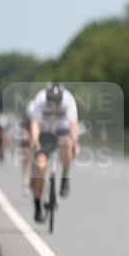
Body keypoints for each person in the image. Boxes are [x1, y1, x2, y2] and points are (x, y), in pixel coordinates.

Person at [27, 82, 79, 222]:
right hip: (44, 132)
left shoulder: (68, 99)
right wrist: (35, 140)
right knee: (41, 166)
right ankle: (38, 205)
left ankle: (65, 177)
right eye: (52, 102)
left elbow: (73, 124)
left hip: (61, 130)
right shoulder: (40, 99)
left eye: (57, 102)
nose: (54, 105)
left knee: (68, 144)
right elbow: (34, 122)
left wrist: (75, 141)